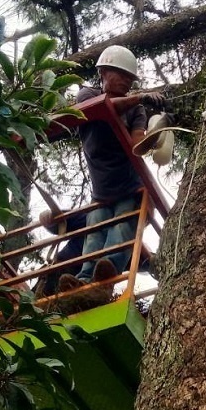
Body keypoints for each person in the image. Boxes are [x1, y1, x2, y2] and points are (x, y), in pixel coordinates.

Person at [73, 45, 166, 284]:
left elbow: (138, 145)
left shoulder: (137, 110)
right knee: (94, 235)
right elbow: (103, 109)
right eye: (121, 74)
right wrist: (141, 96)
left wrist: (158, 132)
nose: (126, 81)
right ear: (103, 72)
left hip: (129, 187)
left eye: (130, 78)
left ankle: (105, 280)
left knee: (121, 230)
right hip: (102, 192)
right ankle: (83, 282)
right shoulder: (86, 96)